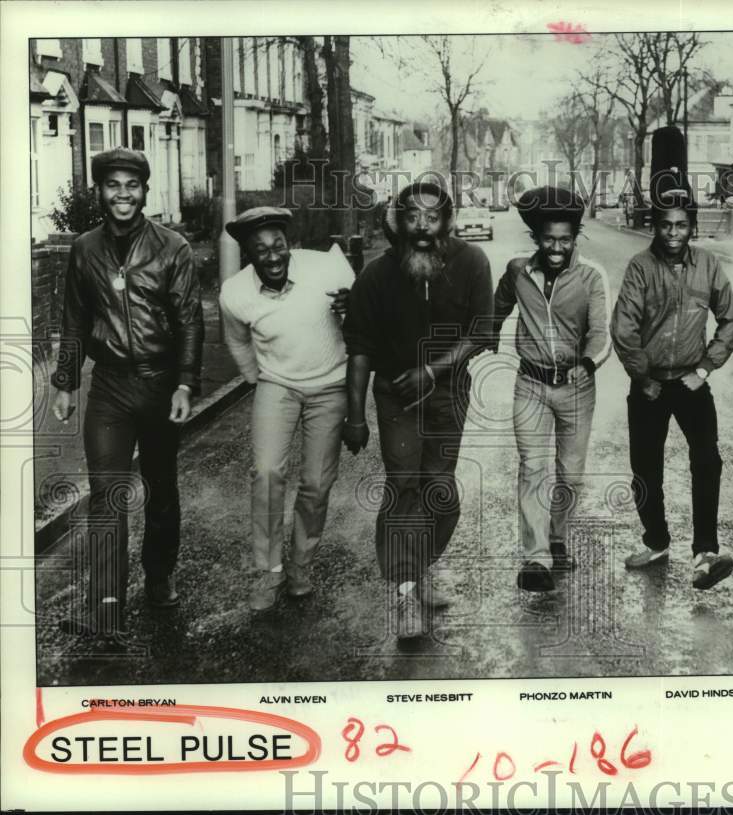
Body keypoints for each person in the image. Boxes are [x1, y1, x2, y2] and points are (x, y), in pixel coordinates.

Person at [51, 148, 204, 637]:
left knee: (161, 490)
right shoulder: (84, 248)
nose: (122, 194)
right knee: (106, 495)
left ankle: (158, 578)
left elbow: (189, 320)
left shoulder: (172, 247)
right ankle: (107, 604)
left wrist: (185, 381)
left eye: (131, 185)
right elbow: (73, 317)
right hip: (110, 387)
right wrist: (66, 382)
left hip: (160, 385)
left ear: (144, 190)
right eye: (112, 185)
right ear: (100, 190)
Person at [342, 182, 493, 639]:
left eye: (432, 216)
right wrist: (355, 415)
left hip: (448, 394)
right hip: (396, 396)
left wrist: (432, 370)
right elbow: (360, 349)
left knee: (440, 491)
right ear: (397, 222)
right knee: (404, 485)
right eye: (412, 217)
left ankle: (422, 566)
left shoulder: (472, 263)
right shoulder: (375, 276)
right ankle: (406, 590)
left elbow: (481, 331)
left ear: (447, 219)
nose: (422, 227)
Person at [611, 126, 733, 590]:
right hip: (648, 385)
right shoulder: (639, 268)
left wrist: (705, 368)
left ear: (692, 225)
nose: (673, 233)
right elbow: (622, 328)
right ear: (655, 226)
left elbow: (731, 319)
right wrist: (642, 376)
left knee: (707, 460)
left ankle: (706, 550)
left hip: (691, 382)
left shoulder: (708, 265)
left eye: (681, 225)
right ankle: (656, 540)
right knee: (645, 468)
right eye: (665, 225)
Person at [219, 207, 355, 612]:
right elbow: (239, 341)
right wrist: (254, 380)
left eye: (278, 245)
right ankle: (269, 571)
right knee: (266, 473)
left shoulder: (329, 269)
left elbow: (366, 323)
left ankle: (300, 566)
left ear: (289, 243)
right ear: (248, 254)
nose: (273, 256)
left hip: (331, 384)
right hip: (276, 384)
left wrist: (353, 308)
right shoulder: (235, 292)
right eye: (260, 250)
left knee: (315, 483)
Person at [492, 186, 611, 592]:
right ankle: (536, 557)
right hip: (530, 384)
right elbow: (498, 305)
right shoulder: (517, 271)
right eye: (549, 239)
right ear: (537, 240)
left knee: (571, 475)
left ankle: (558, 539)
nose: (556, 247)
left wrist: (587, 363)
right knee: (532, 468)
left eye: (564, 239)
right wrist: (486, 335)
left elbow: (601, 334)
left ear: (575, 239)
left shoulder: (592, 277)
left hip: (576, 389)